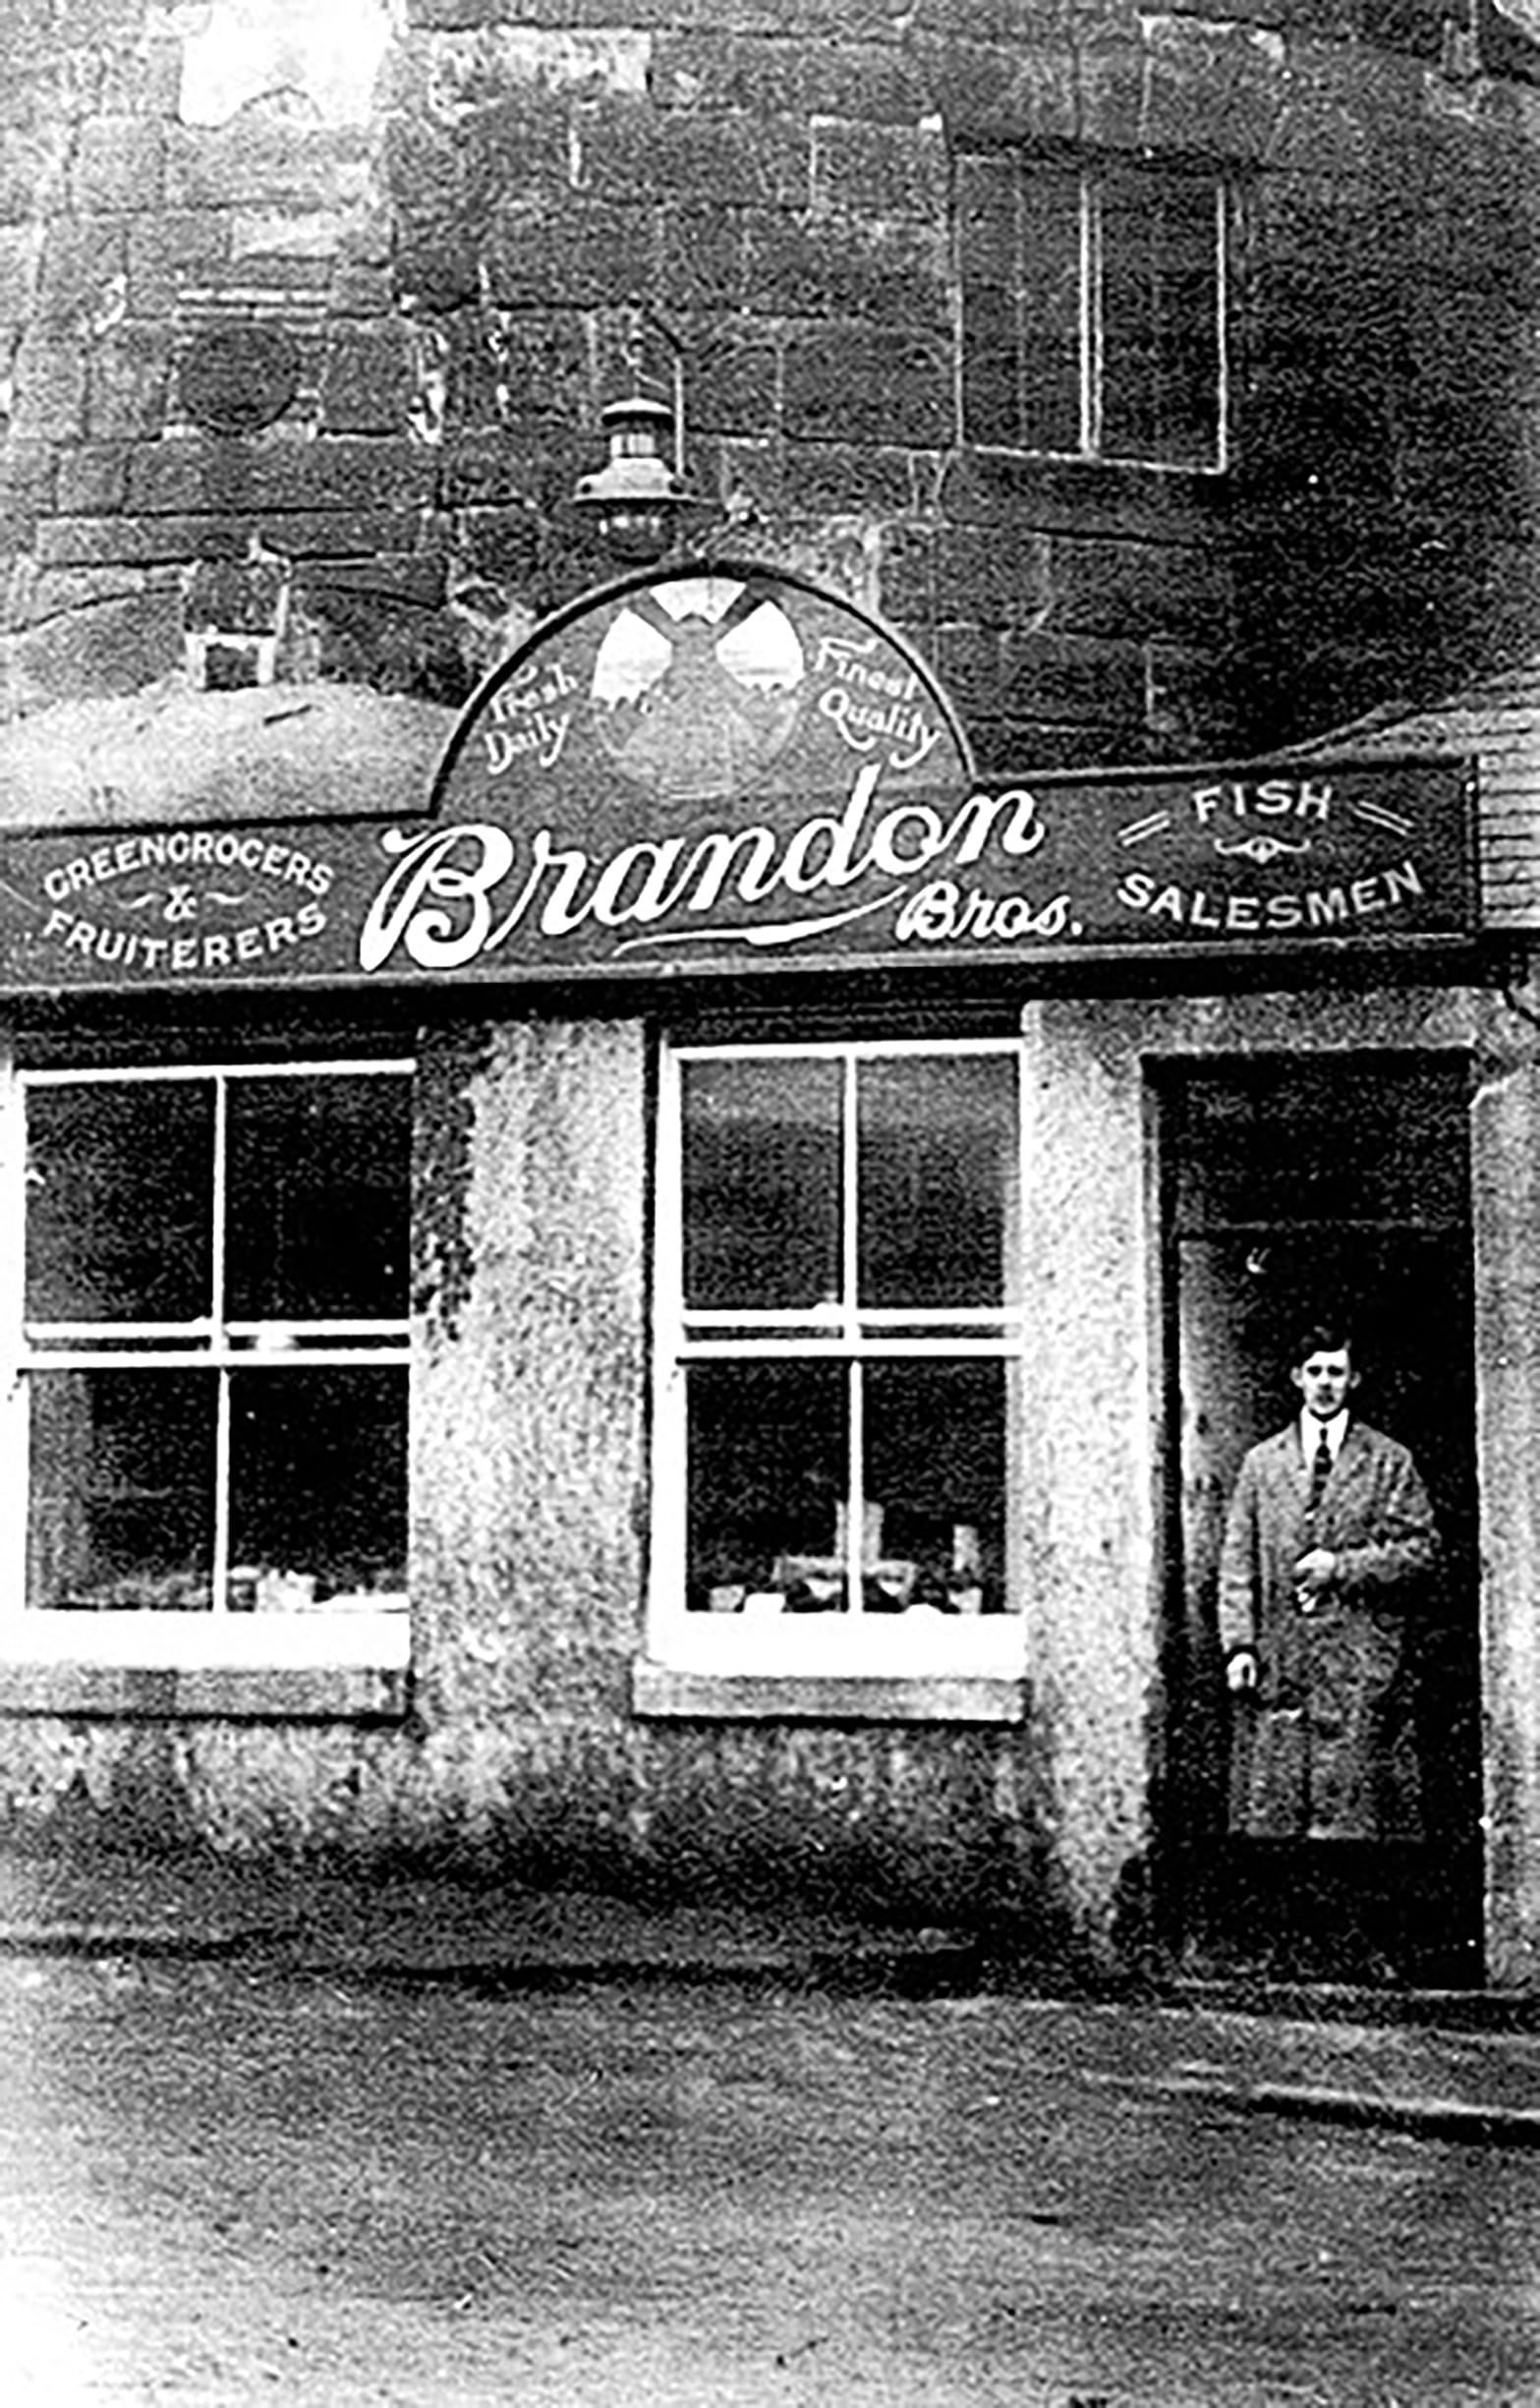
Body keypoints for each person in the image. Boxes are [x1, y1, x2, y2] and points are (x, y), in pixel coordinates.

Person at [1219, 1321, 1439, 1861]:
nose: (1324, 1383)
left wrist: (1342, 1567)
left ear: (1354, 1380)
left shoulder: (1389, 1461)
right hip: (1282, 1655)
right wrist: (1240, 1645)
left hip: (1358, 1658)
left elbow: (1421, 1550)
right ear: (1296, 1378)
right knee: (1279, 1807)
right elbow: (1237, 1559)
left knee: (1354, 1806)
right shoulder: (1262, 1464)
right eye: (1314, 1371)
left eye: (1336, 1372)